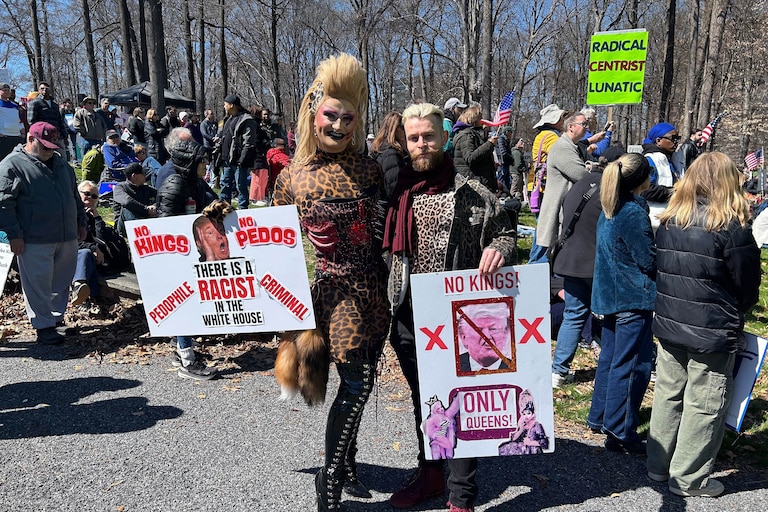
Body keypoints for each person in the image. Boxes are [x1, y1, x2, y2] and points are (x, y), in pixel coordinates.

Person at [272, 54, 390, 512]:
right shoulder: (292, 177)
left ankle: (351, 463)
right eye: (330, 116)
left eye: (347, 117)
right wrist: (221, 218)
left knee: (359, 381)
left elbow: (389, 226)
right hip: (332, 294)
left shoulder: (369, 169)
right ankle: (331, 480)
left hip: (374, 292)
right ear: (313, 114)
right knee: (357, 384)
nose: (338, 126)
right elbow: (270, 244)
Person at [384, 102, 516, 512]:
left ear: (443, 137)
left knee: (460, 402)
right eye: (414, 138)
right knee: (426, 400)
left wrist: (498, 247)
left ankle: (462, 498)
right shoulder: (396, 192)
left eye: (428, 136)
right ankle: (430, 473)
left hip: (458, 316)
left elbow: (507, 231)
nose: (422, 144)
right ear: (405, 143)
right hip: (406, 313)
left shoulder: (471, 191)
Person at [647, 152, 760, 498]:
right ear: (728, 182)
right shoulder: (732, 227)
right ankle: (689, 479)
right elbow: (747, 285)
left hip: (670, 321)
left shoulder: (669, 219)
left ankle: (659, 465)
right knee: (705, 402)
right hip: (711, 327)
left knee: (668, 393)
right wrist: (737, 312)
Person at [587, 152, 655, 454]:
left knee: (611, 360)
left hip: (611, 295)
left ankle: (601, 417)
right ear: (641, 179)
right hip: (631, 298)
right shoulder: (632, 212)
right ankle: (620, 430)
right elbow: (647, 260)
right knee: (634, 367)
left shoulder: (611, 206)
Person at [0, 122, 87, 345]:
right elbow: (3, 204)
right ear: (31, 140)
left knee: (61, 280)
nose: (50, 151)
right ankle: (43, 324)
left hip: (66, 233)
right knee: (38, 284)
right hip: (33, 237)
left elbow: (74, 196)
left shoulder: (61, 164)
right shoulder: (11, 165)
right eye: (45, 146)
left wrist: (80, 221)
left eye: (53, 146)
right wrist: (14, 235)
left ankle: (56, 318)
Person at [157, 138, 219, 380]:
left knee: (191, 303)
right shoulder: (174, 185)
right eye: (202, 162)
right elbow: (168, 226)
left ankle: (181, 349)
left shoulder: (194, 182)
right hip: (179, 256)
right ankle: (187, 362)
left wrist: (220, 209)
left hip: (194, 251)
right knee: (185, 305)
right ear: (190, 163)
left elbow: (211, 202)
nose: (206, 166)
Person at [535, 112, 589, 253]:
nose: (587, 127)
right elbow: (581, 175)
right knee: (547, 258)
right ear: (571, 126)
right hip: (558, 210)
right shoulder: (563, 147)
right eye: (583, 124)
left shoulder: (571, 146)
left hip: (564, 209)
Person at [528, 104, 567, 263]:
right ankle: (538, 263)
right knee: (545, 227)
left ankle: (538, 261)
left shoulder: (543, 135)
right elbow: (562, 154)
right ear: (555, 120)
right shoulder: (551, 137)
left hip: (538, 185)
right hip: (544, 187)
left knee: (543, 226)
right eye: (562, 117)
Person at [217, 94, 259, 209]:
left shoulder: (246, 119)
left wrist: (242, 159)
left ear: (232, 105)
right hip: (226, 160)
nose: (224, 106)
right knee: (224, 185)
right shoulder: (227, 119)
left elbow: (249, 142)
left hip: (239, 161)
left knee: (241, 187)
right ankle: (224, 209)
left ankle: (243, 212)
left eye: (225, 103)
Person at [452, 105, 499, 193]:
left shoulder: (473, 134)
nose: (482, 121)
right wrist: (489, 144)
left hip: (478, 181)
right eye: (480, 118)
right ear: (474, 119)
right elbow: (470, 157)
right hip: (473, 183)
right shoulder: (466, 135)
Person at [456, 302, 513, 373]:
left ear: (504, 336)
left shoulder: (518, 366)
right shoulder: (452, 366)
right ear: (464, 337)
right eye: (478, 330)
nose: (486, 336)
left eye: (493, 329)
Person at [368, 111, 407, 200]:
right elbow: (395, 188)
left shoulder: (380, 148)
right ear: (396, 129)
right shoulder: (391, 154)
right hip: (392, 206)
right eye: (403, 127)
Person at [498, 389, 549, 455]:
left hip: (532, 450)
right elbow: (513, 439)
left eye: (528, 413)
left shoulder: (536, 425)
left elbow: (545, 443)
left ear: (532, 413)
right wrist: (520, 429)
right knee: (505, 447)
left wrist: (531, 442)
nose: (526, 416)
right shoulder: (521, 424)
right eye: (524, 414)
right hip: (521, 450)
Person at [112, 162, 158, 236]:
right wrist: (146, 209)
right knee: (127, 209)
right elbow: (127, 202)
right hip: (124, 226)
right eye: (143, 173)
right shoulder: (120, 188)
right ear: (134, 176)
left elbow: (161, 196)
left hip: (145, 222)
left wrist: (154, 206)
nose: (145, 175)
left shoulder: (146, 188)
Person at [27, 82, 69, 158]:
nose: (45, 90)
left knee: (62, 158)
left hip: (57, 136)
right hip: (43, 138)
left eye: (47, 88)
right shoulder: (35, 103)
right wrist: (39, 135)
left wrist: (65, 136)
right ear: (39, 91)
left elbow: (60, 121)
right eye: (42, 89)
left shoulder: (55, 105)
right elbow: (31, 121)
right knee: (46, 158)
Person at [0, 83, 24, 160]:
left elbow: (19, 119)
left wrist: (22, 132)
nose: (7, 92)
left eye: (8, 90)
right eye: (4, 90)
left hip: (17, 136)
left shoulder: (15, 105)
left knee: (17, 159)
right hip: (4, 136)